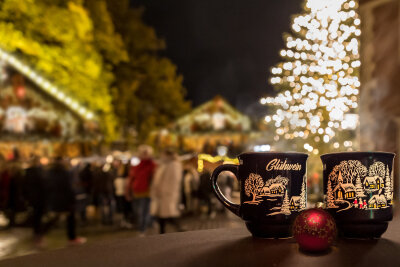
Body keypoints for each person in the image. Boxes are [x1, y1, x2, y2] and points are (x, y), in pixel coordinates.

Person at [47, 157, 86, 245]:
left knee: (57, 217)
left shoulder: (50, 173)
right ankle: (72, 238)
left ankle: (40, 234)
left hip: (55, 199)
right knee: (70, 218)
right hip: (65, 199)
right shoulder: (64, 173)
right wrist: (72, 199)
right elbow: (68, 187)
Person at [150, 149, 184, 234]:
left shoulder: (174, 165)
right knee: (163, 214)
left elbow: (173, 181)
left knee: (168, 213)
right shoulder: (165, 165)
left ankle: (177, 228)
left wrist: (164, 190)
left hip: (167, 194)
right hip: (162, 194)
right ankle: (163, 231)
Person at [126, 145, 156, 235]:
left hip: (147, 192)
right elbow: (131, 179)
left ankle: (142, 228)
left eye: (146, 153)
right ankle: (143, 227)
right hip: (137, 192)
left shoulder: (152, 165)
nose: (144, 155)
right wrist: (127, 191)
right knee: (140, 211)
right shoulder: (136, 166)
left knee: (144, 211)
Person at [24, 155, 46, 245]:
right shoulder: (39, 172)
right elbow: (42, 185)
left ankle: (36, 230)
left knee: (35, 214)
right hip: (39, 197)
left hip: (32, 197)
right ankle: (38, 231)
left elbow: (24, 187)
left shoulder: (27, 173)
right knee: (39, 215)